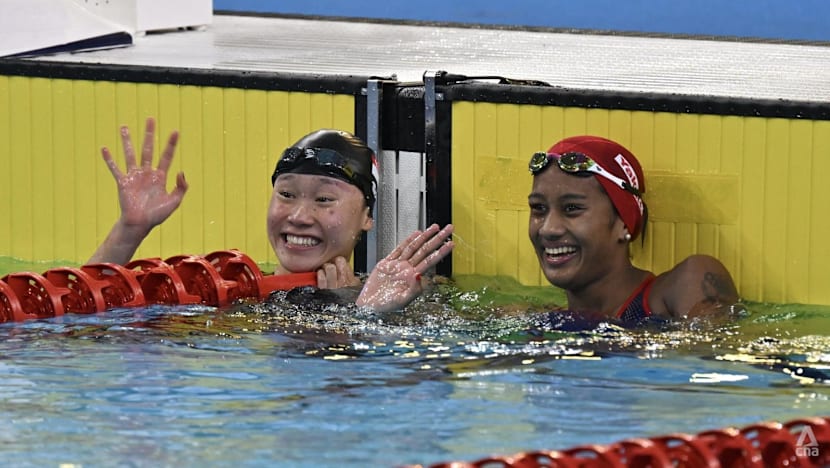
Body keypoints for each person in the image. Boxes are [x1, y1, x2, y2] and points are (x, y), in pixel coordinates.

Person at [90, 117, 453, 313]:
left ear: (366, 217)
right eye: (286, 194)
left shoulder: (394, 295)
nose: (299, 215)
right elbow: (84, 309)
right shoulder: (227, 290)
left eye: (324, 199)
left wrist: (365, 312)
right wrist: (129, 229)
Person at [527, 135, 739, 328]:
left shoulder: (686, 283)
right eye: (538, 208)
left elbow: (712, 352)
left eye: (572, 208)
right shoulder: (539, 321)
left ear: (623, 221)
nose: (548, 229)